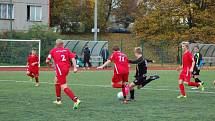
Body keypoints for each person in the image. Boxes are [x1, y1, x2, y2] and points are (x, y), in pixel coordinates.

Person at [46, 39, 81, 110]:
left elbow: (47, 60)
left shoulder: (53, 50)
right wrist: (75, 68)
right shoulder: (66, 50)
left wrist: (49, 64)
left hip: (60, 70)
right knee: (56, 80)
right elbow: (73, 58)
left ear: (56, 45)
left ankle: (76, 100)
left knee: (64, 87)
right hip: (66, 69)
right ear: (62, 44)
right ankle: (58, 100)